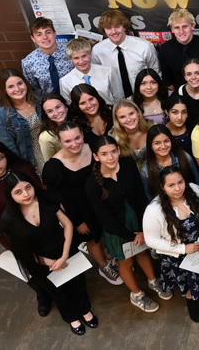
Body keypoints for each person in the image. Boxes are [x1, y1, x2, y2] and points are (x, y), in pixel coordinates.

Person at [0, 172, 96, 335]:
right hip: (40, 261)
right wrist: (49, 262)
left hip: (65, 249)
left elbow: (67, 225)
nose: (26, 194)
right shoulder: (8, 220)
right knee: (59, 292)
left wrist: (64, 255)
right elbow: (21, 251)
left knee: (78, 284)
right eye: (18, 192)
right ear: (10, 195)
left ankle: (85, 310)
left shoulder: (47, 199)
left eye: (28, 187)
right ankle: (72, 317)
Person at [85, 135, 168, 313]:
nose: (111, 157)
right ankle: (137, 294)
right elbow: (106, 220)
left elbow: (140, 197)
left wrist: (143, 229)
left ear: (118, 150)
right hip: (118, 229)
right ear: (96, 156)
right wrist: (132, 236)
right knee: (127, 261)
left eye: (113, 151)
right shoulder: (92, 184)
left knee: (143, 252)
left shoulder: (128, 165)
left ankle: (153, 281)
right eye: (104, 154)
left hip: (138, 221)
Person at [0, 141, 52, 315]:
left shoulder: (22, 169)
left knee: (54, 260)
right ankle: (43, 294)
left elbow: (41, 195)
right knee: (31, 269)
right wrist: (12, 247)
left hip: (41, 226)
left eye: (0, 158)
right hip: (16, 236)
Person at [42, 121, 121, 286]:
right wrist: (77, 222)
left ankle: (109, 256)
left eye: (77, 138)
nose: (74, 144)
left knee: (106, 232)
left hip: (101, 202)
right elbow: (59, 199)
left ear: (83, 135)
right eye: (68, 141)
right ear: (59, 142)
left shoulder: (92, 148)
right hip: (80, 211)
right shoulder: (54, 167)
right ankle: (103, 266)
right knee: (93, 239)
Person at [142, 166, 199, 322]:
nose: (178, 188)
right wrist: (183, 248)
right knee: (185, 281)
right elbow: (151, 240)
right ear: (162, 187)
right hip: (176, 255)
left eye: (180, 182)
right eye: (171, 185)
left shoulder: (195, 191)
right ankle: (191, 302)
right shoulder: (154, 210)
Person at [92, 10, 161, 98]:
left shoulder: (145, 47)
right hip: (114, 100)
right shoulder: (97, 50)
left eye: (117, 26)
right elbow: (96, 78)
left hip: (143, 98)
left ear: (124, 27)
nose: (113, 31)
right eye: (108, 28)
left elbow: (156, 74)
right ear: (104, 30)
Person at [157, 8, 199, 91]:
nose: (181, 31)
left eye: (185, 26)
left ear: (192, 26)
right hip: (179, 93)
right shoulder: (165, 49)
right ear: (172, 29)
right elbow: (167, 79)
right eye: (177, 28)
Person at [0, 69, 43, 170]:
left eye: (20, 83)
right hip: (29, 159)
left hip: (51, 148)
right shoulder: (0, 115)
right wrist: (22, 168)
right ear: (5, 90)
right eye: (10, 87)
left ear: (25, 83)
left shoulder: (39, 100)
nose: (17, 89)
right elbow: (9, 148)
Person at [141, 124, 199, 199]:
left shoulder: (185, 157)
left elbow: (198, 183)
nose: (163, 146)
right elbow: (149, 197)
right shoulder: (146, 170)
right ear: (150, 146)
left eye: (166, 141)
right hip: (162, 204)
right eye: (157, 143)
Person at [60, 38, 123, 105]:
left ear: (90, 54)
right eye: (76, 58)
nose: (81, 61)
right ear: (71, 59)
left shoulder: (108, 72)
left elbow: (119, 98)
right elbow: (70, 106)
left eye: (84, 56)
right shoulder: (65, 82)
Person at [21, 17, 74, 96]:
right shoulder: (28, 62)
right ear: (33, 38)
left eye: (48, 32)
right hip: (49, 101)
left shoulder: (71, 51)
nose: (45, 37)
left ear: (55, 33)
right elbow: (34, 88)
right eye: (39, 34)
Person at [110, 98, 152, 168]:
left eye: (131, 113)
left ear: (138, 113)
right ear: (117, 120)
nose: (129, 119)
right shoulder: (113, 137)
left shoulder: (151, 127)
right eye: (122, 117)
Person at [172, 58, 199, 127]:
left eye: (197, 73)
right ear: (185, 77)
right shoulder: (178, 94)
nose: (193, 77)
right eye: (189, 74)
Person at [38, 93, 70, 166]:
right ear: (47, 115)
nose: (56, 113)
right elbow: (51, 165)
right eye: (50, 111)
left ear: (66, 106)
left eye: (58, 107)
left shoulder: (78, 123)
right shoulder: (46, 137)